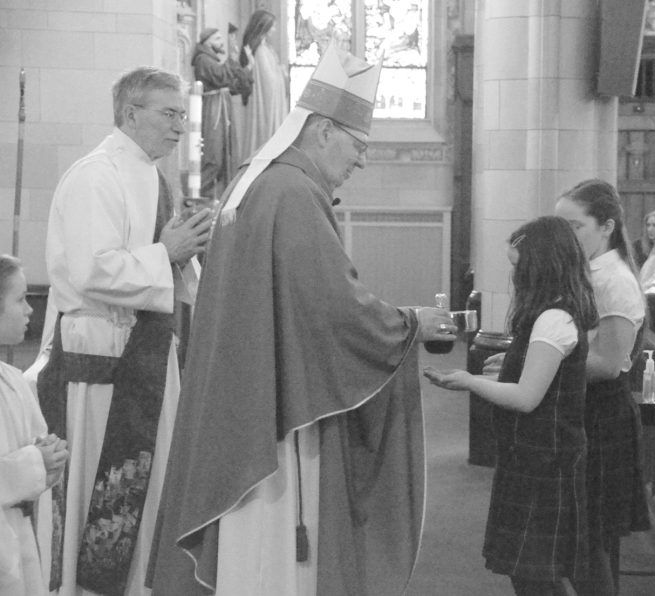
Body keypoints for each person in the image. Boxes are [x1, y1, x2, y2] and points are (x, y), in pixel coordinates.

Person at [147, 41, 455, 596]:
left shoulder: (257, 178)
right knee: (274, 554)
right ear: (322, 130)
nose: (361, 160)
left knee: (253, 553)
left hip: (247, 396)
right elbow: (334, 310)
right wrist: (411, 324)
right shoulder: (290, 191)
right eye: (358, 145)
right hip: (273, 413)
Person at [33, 66, 210, 596]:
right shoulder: (97, 175)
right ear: (131, 114)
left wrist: (194, 250)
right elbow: (94, 268)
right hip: (102, 365)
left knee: (151, 492)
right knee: (97, 493)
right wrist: (169, 255)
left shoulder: (151, 176)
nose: (180, 126)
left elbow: (167, 262)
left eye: (182, 115)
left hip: (145, 355)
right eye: (169, 114)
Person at [424, 216, 600, 596]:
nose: (514, 276)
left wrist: (471, 382)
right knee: (535, 573)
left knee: (539, 576)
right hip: (533, 457)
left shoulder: (555, 317)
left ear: (541, 264)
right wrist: (502, 372)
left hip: (545, 460)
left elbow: (526, 397)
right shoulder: (552, 311)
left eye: (518, 265)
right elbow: (536, 382)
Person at [555, 180, 650, 595]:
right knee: (575, 541)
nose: (565, 236)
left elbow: (609, 364)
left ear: (606, 226)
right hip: (583, 408)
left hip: (602, 414)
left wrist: (537, 371)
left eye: (574, 226)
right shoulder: (589, 271)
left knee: (588, 543)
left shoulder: (614, 280)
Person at [0, 256, 69, 596]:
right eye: (20, 298)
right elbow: (28, 463)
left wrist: (51, 460)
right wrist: (34, 463)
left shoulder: (13, 380)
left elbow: (36, 451)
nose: (30, 309)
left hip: (17, 532)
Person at [192, 27, 254, 199]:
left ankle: (218, 197)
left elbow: (231, 83)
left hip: (221, 106)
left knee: (225, 156)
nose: (221, 42)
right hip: (213, 109)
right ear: (207, 41)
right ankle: (200, 197)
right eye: (218, 38)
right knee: (214, 157)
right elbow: (220, 76)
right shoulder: (202, 60)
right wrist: (233, 58)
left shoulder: (212, 59)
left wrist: (248, 68)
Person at [241, 9, 289, 159]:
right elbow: (269, 83)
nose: (274, 30)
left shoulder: (266, 49)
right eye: (272, 26)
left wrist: (280, 72)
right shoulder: (261, 51)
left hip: (271, 104)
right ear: (264, 26)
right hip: (266, 108)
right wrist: (281, 74)